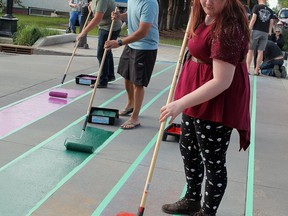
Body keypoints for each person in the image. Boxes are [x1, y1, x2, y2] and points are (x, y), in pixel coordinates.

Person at [159, 0, 251, 216]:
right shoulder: (203, 12)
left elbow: (221, 81)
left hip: (215, 100)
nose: (208, 1)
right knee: (188, 149)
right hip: (195, 92)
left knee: (212, 159)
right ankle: (192, 200)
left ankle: (207, 212)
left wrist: (180, 103)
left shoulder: (228, 28)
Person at [104, 0, 159, 129]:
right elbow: (131, 14)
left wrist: (119, 42)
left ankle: (135, 118)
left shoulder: (149, 3)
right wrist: (120, 16)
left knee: (138, 83)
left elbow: (142, 32)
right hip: (131, 44)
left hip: (145, 47)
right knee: (127, 77)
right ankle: (130, 105)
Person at [77, 0, 122, 88]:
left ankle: (102, 80)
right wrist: (91, 7)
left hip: (110, 27)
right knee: (107, 51)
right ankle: (109, 75)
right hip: (104, 26)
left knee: (102, 53)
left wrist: (84, 32)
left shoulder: (102, 1)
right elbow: (96, 11)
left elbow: (97, 18)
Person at [246, 0, 274, 75]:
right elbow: (271, 22)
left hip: (256, 31)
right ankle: (256, 70)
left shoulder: (256, 7)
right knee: (260, 51)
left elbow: (254, 18)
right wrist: (270, 31)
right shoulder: (270, 10)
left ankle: (247, 68)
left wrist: (249, 28)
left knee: (250, 50)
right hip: (265, 32)